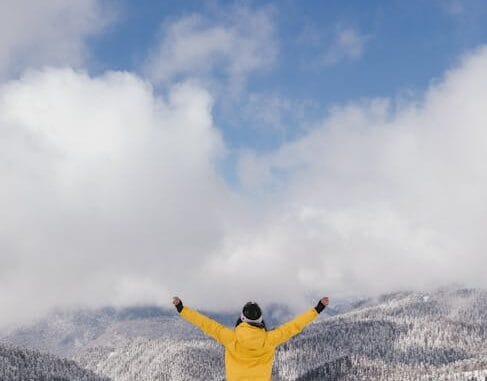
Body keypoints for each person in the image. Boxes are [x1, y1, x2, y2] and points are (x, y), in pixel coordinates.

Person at [172, 295, 329, 381]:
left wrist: (181, 309)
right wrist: (317, 309)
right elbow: (295, 326)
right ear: (260, 320)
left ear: (242, 318)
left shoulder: (230, 337)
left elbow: (205, 323)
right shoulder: (270, 339)